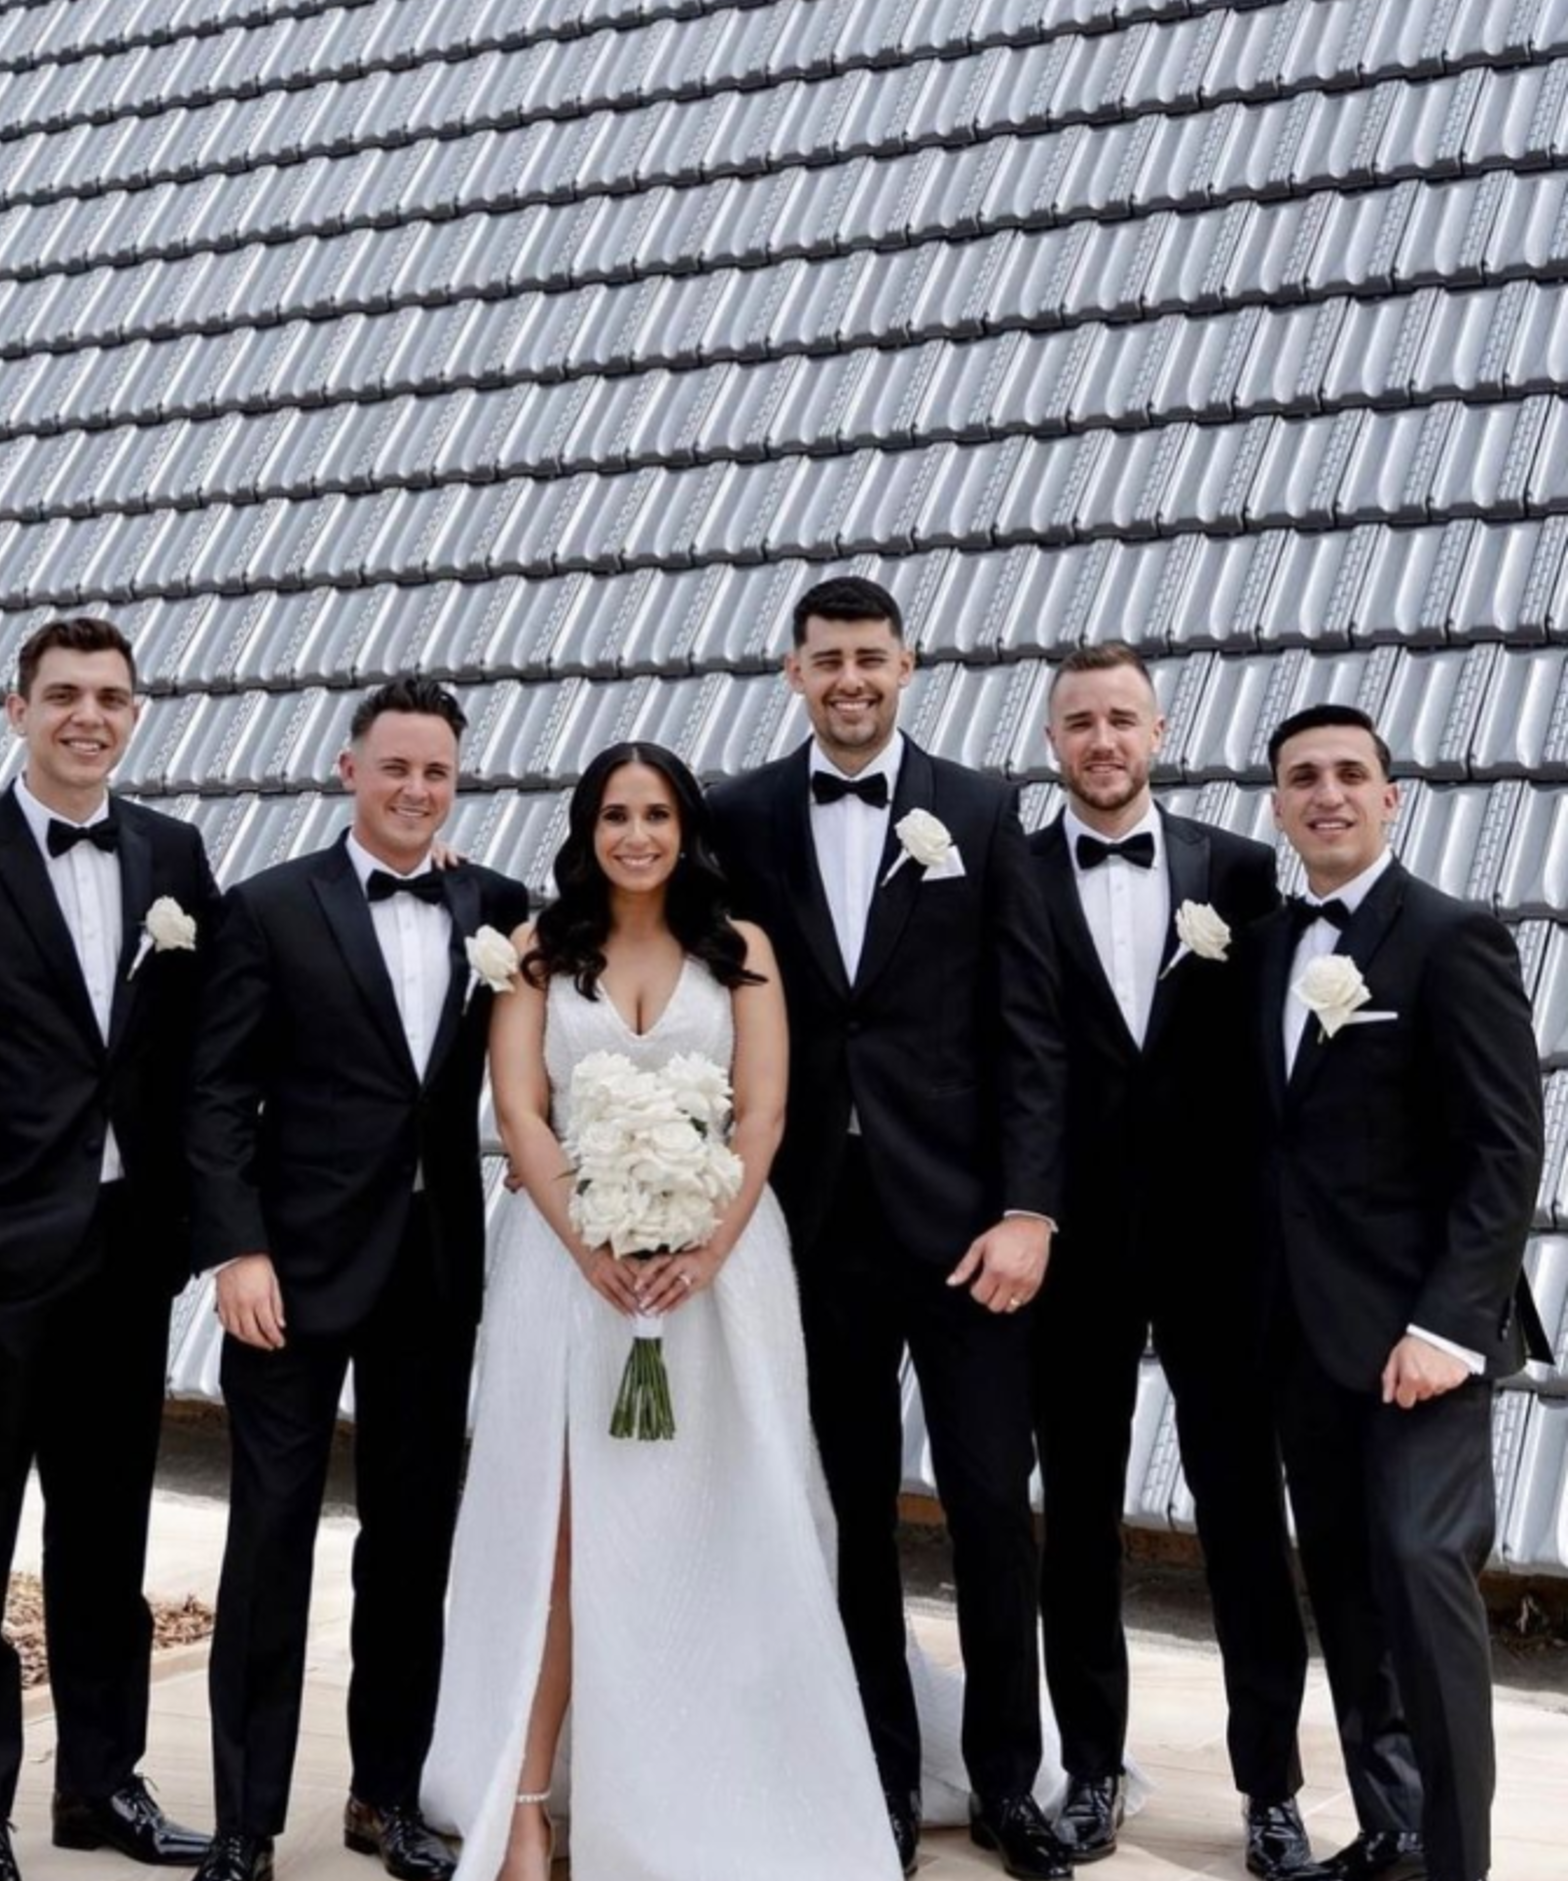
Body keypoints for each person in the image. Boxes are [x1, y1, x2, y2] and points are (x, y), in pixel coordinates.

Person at [422, 741, 905, 1881]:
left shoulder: (740, 951)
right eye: (612, 815)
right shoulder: (539, 950)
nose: (634, 835)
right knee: (563, 1530)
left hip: (718, 1279)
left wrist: (701, 1244)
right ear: (584, 828)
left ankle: (714, 1778)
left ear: (686, 828)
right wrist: (588, 1241)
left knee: (720, 1520)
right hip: (564, 1276)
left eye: (654, 814)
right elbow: (519, 1107)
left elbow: (765, 1113)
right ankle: (529, 1806)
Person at [708, 575, 1071, 1879]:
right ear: (793, 670)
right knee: (846, 1509)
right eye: (828, 659)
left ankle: (1009, 1782)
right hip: (810, 1226)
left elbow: (1030, 1030)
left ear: (907, 666)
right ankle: (873, 1776)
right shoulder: (738, 812)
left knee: (987, 1502)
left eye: (871, 657)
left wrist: (1031, 1208)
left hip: (969, 1229)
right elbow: (691, 997)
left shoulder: (980, 808)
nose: (850, 679)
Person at [0, 617, 215, 1880]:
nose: (88, 716)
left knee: (107, 1539)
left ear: (134, 713)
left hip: (127, 1261)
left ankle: (99, 1786)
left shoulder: (175, 855)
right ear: (15, 709)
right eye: (63, 695)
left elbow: (201, 1049)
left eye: (111, 698)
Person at [185, 678, 530, 1881]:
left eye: (436, 773)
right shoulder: (270, 907)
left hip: (431, 1278)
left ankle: (386, 1797)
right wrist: (236, 1251)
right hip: (287, 1274)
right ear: (347, 769)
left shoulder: (499, 908)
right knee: (267, 1543)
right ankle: (244, 1821)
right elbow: (217, 1095)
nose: (415, 791)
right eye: (395, 768)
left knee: (409, 1549)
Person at [1253, 704, 1548, 1881]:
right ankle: (1392, 1829)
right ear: (1275, 806)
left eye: (1345, 775)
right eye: (1299, 778)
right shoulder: (1265, 947)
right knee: (1348, 1592)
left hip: (1420, 1338)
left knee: (1423, 1587)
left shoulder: (1449, 936)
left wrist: (1444, 1324)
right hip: (1299, 1339)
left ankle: (1456, 1868)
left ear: (1389, 798)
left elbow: (1501, 1151)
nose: (1323, 793)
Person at [1029, 644, 1311, 1872]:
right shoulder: (1010, 870)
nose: (1101, 740)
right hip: (1070, 1247)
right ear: (1052, 743)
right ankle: (1090, 1773)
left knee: (1245, 1517)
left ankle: (1271, 1792)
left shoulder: (1239, 872)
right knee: (1077, 1518)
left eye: (1120, 720)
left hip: (1216, 1247)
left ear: (1159, 732)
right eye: (1078, 722)